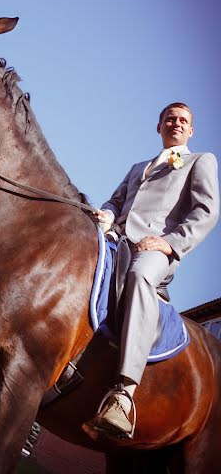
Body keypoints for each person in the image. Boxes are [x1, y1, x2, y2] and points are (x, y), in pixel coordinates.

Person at [92, 102, 219, 438]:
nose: (175, 123)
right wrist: (105, 215)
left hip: (156, 246)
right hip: (118, 238)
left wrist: (171, 243)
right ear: (159, 126)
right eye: (169, 119)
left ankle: (124, 393)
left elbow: (207, 212)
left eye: (183, 120)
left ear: (190, 130)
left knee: (139, 276)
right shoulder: (138, 167)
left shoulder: (200, 161)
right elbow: (115, 201)